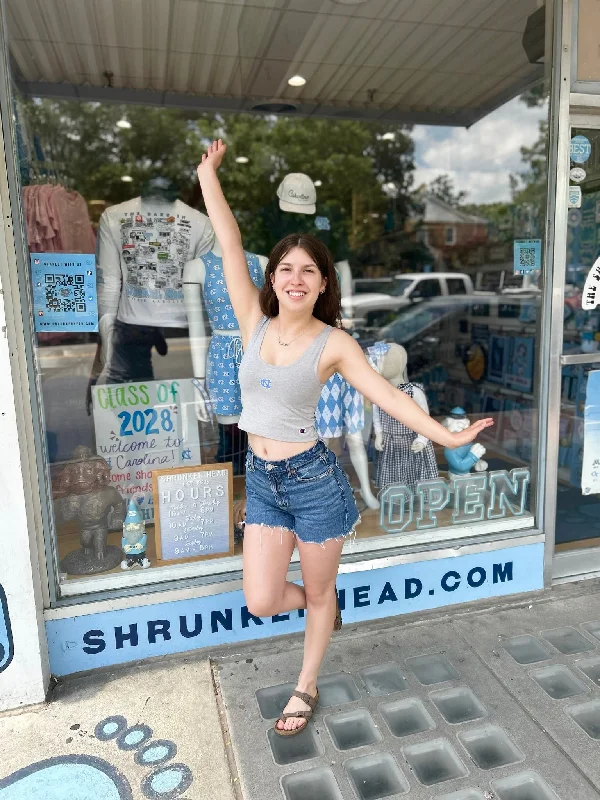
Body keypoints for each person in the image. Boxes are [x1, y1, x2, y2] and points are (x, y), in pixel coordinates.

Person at [196, 140, 493, 737]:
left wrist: (447, 437)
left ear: (323, 282)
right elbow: (229, 243)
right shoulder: (252, 322)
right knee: (261, 599)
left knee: (320, 586)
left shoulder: (335, 344)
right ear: (273, 279)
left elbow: (388, 398)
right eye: (286, 268)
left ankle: (304, 684)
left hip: (312, 480)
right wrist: (208, 176)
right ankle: (324, 611)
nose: (296, 278)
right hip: (262, 478)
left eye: (309, 270)